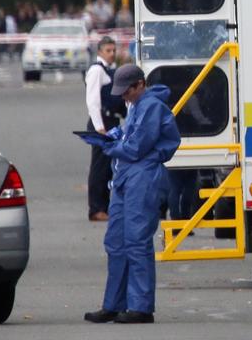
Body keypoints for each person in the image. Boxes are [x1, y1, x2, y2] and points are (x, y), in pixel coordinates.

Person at [82, 64, 181, 324]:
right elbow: (132, 139)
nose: (123, 97)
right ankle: (114, 303)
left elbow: (136, 148)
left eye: (126, 92)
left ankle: (141, 306)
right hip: (127, 176)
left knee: (136, 242)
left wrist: (109, 145)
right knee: (116, 242)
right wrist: (117, 136)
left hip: (143, 176)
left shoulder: (152, 106)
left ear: (140, 84)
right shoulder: (138, 105)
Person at [84, 37, 124, 221]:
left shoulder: (109, 70)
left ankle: (106, 206)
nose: (112, 54)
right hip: (101, 123)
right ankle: (96, 208)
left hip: (111, 122)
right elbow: (93, 101)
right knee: (99, 167)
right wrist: (99, 127)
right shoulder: (96, 71)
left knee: (109, 167)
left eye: (113, 50)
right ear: (100, 52)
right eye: (108, 50)